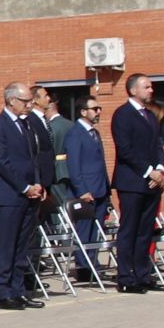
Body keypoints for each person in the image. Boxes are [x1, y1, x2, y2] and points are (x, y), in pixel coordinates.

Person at [0, 83, 49, 309]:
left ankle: (19, 290)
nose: (29, 105)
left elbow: (35, 157)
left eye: (30, 100)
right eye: (25, 101)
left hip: (30, 193)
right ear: (11, 100)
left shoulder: (29, 124)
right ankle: (5, 293)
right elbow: (2, 162)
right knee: (7, 245)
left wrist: (38, 183)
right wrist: (24, 187)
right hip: (10, 195)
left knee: (22, 245)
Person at [110, 73, 164, 294]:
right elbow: (125, 149)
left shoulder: (150, 116)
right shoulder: (123, 115)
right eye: (146, 87)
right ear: (133, 90)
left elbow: (157, 145)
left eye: (151, 86)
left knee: (145, 231)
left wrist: (160, 170)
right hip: (132, 182)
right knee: (129, 230)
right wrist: (148, 172)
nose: (151, 90)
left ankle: (143, 274)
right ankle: (126, 277)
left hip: (152, 183)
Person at [65, 96, 110, 264]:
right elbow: (74, 165)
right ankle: (84, 265)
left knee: (96, 231)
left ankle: (93, 262)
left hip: (100, 190)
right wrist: (82, 190)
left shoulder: (94, 133)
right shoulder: (75, 133)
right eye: (94, 109)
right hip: (85, 191)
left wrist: (107, 187)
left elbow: (100, 163)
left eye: (99, 109)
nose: (98, 112)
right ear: (83, 112)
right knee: (84, 231)